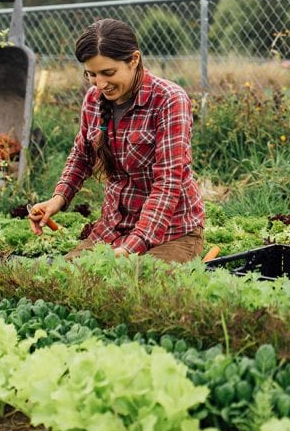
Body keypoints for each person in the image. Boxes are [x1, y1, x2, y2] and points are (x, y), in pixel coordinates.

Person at [28, 18, 205, 262]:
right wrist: (57, 199)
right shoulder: (93, 99)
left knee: (137, 286)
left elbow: (168, 181)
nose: (100, 84)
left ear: (133, 60)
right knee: (66, 279)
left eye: (108, 73)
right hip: (112, 229)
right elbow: (82, 155)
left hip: (170, 232)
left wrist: (133, 246)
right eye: (91, 74)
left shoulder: (168, 100)